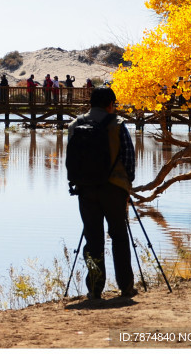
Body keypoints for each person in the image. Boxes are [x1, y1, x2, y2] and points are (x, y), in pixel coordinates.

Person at [68, 87, 136, 301]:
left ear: (91, 103)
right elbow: (128, 158)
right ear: (110, 104)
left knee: (93, 239)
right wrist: (127, 185)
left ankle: (95, 289)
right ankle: (125, 286)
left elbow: (71, 159)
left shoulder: (75, 125)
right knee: (119, 236)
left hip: (85, 189)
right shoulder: (117, 125)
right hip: (114, 188)